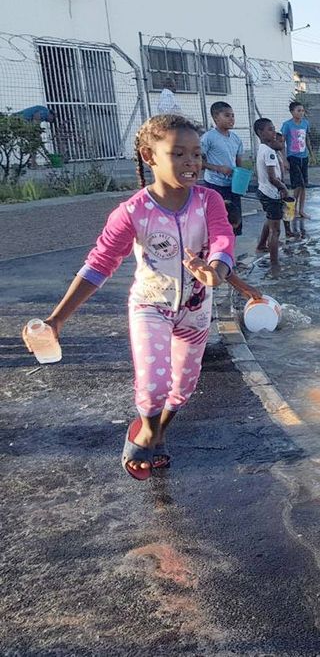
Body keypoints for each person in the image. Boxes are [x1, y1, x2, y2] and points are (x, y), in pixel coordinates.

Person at [22, 114, 247, 480]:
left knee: (183, 389)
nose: (191, 163)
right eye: (178, 154)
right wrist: (57, 319)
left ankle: (158, 432)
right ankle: (146, 429)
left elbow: (223, 238)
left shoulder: (209, 202)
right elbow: (99, 265)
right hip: (150, 306)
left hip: (195, 311)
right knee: (154, 385)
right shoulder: (132, 212)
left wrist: (217, 269)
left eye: (195, 154)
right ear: (149, 155)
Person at [200, 101, 244, 235]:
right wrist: (218, 168)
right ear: (215, 118)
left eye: (233, 115)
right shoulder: (208, 138)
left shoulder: (236, 139)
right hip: (215, 185)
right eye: (227, 115)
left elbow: (239, 163)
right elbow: (197, 161)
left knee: (234, 221)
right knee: (218, 221)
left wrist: (241, 179)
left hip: (233, 186)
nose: (231, 119)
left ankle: (230, 252)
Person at [253, 118, 292, 266]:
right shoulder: (269, 152)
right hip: (271, 193)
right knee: (275, 231)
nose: (274, 132)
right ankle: (274, 263)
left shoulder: (263, 149)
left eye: (273, 128)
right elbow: (272, 177)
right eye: (270, 129)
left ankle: (261, 245)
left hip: (264, 191)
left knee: (270, 219)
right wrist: (284, 188)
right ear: (260, 132)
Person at [281, 101, 311, 221]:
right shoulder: (287, 125)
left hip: (304, 157)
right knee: (298, 185)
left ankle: (301, 210)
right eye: (298, 110)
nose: (301, 113)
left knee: (304, 186)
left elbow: (307, 138)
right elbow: (282, 142)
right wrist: (284, 159)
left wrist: (311, 154)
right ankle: (292, 209)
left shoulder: (305, 123)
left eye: (302, 111)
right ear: (292, 112)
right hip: (293, 157)